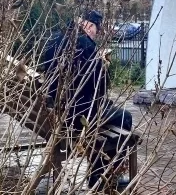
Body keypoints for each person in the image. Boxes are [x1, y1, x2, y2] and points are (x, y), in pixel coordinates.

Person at [43, 10, 133, 190]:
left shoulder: (55, 38)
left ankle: (101, 176)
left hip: (56, 113)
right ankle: (104, 178)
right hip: (76, 117)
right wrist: (103, 62)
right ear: (89, 25)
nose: (95, 34)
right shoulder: (85, 44)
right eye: (96, 30)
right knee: (124, 117)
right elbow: (101, 86)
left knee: (104, 118)